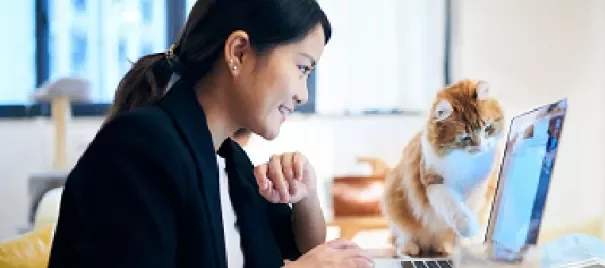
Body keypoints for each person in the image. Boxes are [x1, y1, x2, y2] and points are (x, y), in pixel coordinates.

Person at [48, 0, 372, 268]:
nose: (303, 94)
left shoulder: (233, 163)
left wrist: (305, 197)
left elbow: (303, 251)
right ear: (239, 52)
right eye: (302, 68)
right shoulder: (137, 148)